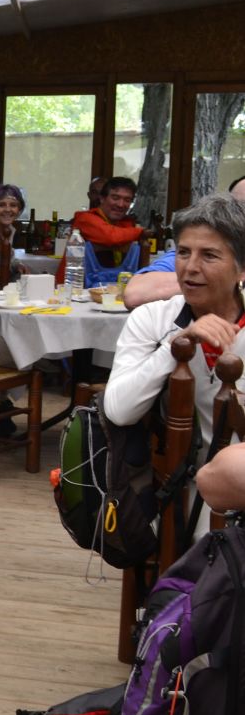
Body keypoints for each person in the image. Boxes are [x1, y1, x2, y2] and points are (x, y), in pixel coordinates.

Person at [104, 195, 245, 537]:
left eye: (209, 255)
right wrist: (175, 345)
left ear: (242, 269)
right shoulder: (153, 319)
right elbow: (119, 410)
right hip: (182, 486)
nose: (190, 267)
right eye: (183, 252)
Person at [125, 176, 245, 308]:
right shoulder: (197, 249)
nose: (191, 267)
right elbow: (135, 293)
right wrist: (219, 280)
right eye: (239, 207)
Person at [71, 175, 142, 265]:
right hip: (77, 273)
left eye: (127, 200)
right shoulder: (85, 219)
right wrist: (141, 232)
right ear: (102, 198)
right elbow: (112, 237)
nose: (121, 204)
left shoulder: (125, 223)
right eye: (115, 198)